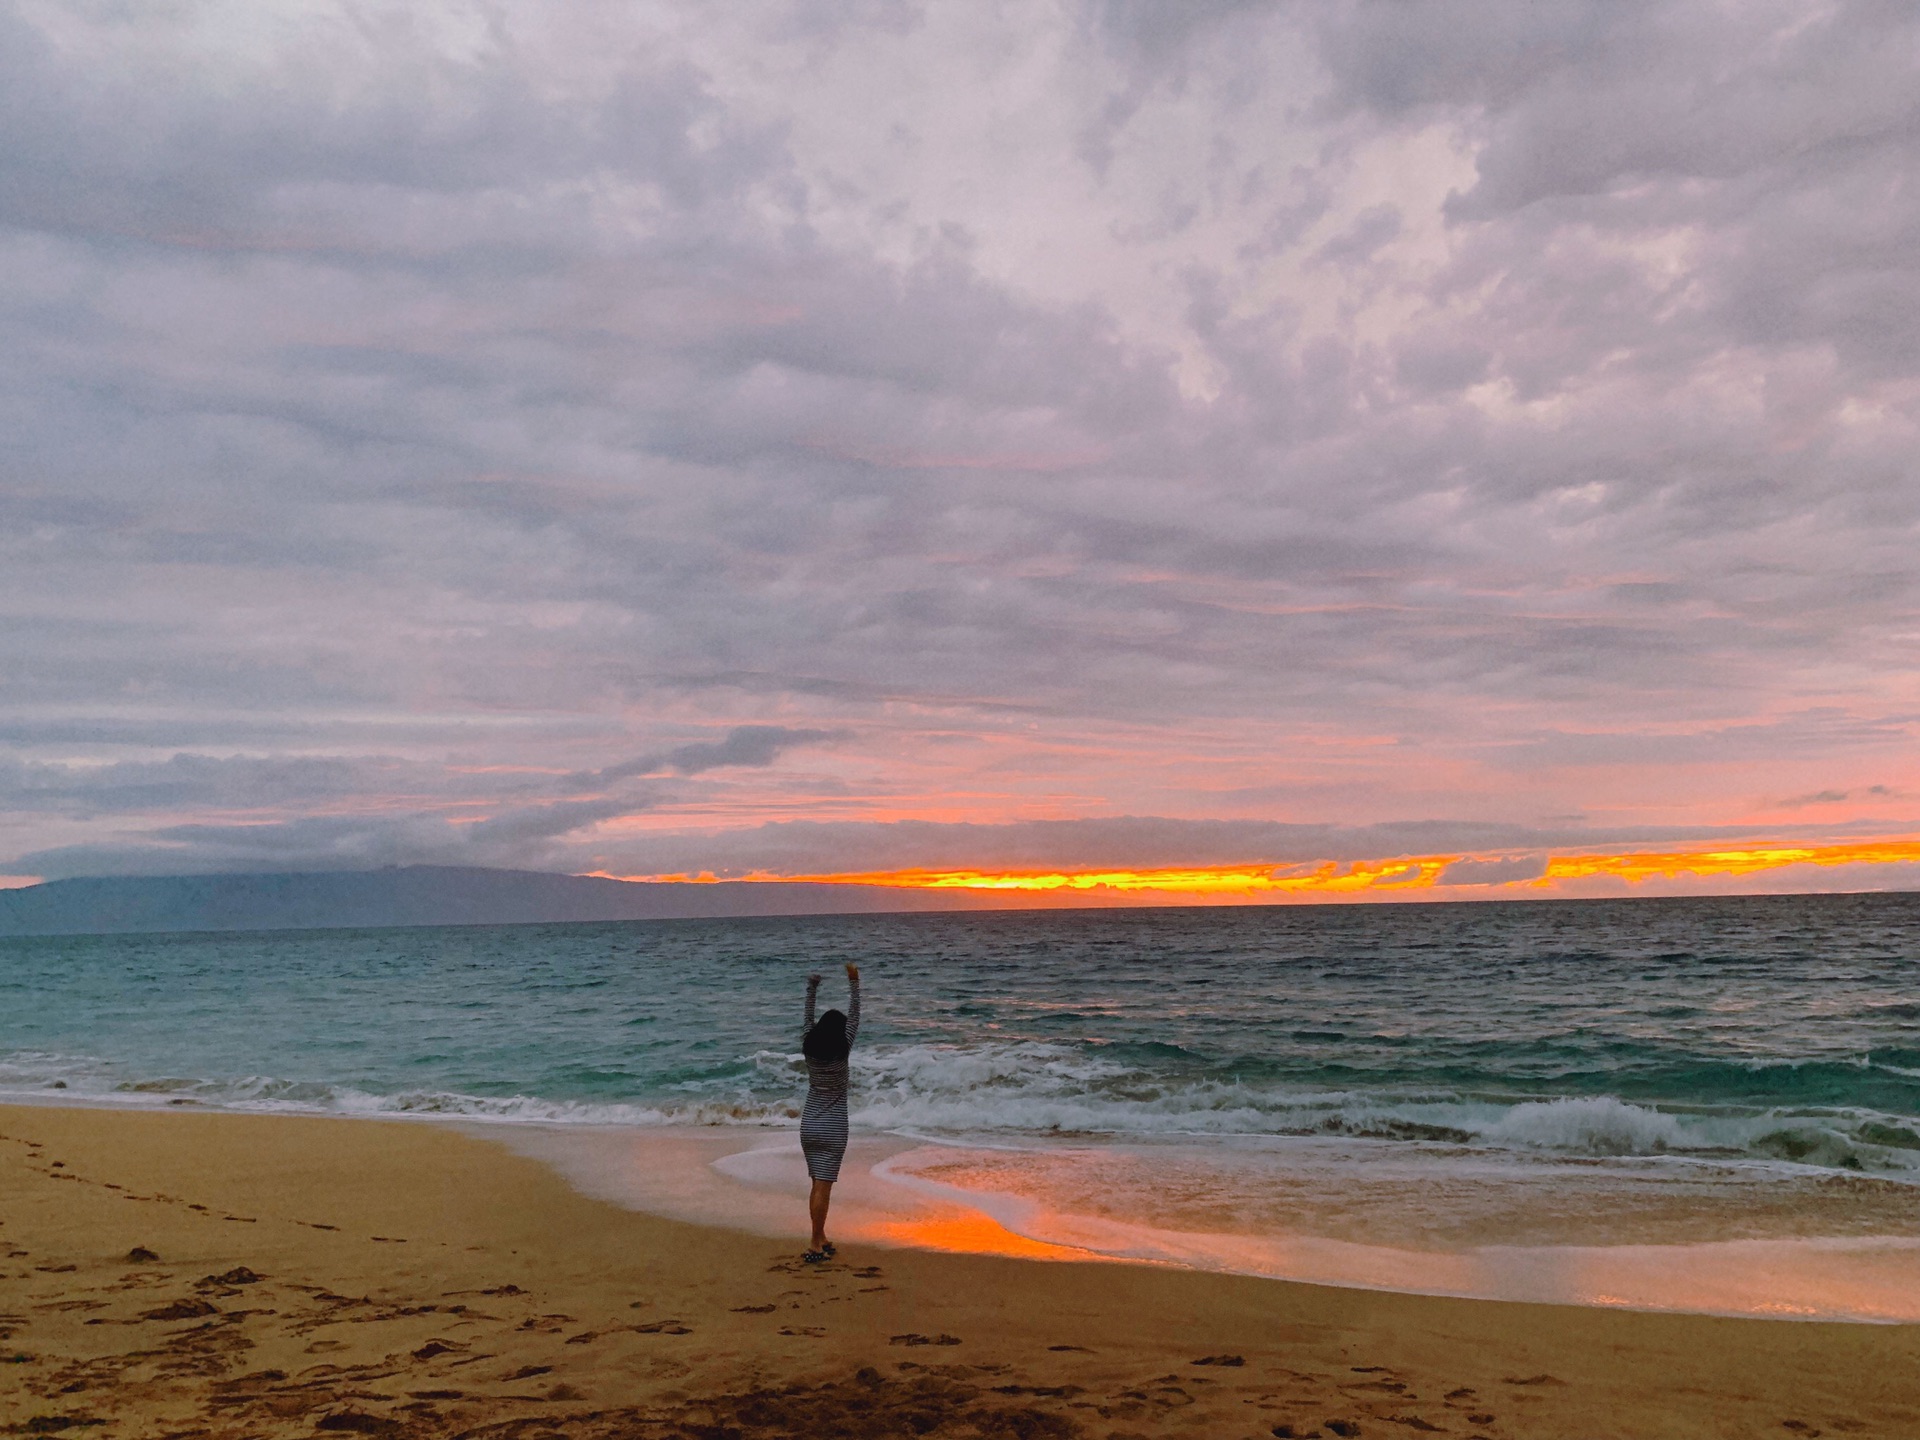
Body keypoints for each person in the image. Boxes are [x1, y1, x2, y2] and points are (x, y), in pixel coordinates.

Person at [799, 961, 861, 1262]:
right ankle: (813, 1242)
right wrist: (854, 982)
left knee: (817, 1183)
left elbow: (808, 1017)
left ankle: (820, 1236)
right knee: (823, 1186)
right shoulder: (843, 1047)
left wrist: (812, 987)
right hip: (834, 1126)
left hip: (810, 1122)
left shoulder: (809, 1046)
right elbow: (855, 1016)